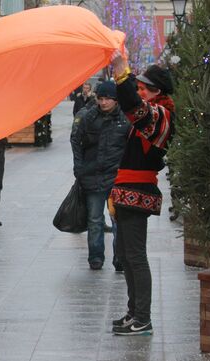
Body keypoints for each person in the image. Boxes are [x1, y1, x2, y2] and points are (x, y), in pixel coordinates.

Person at [109, 53, 175, 336]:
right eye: (138, 85)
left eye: (145, 87)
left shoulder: (162, 115)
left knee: (135, 256)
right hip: (126, 190)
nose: (140, 91)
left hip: (138, 191)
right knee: (125, 255)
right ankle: (133, 311)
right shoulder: (153, 111)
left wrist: (123, 75)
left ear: (158, 92)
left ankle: (143, 317)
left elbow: (133, 108)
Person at [71, 81, 130, 271]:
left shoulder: (124, 119)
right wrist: (79, 167)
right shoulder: (89, 117)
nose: (103, 103)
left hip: (116, 177)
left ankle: (120, 258)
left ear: (115, 100)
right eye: (101, 99)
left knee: (118, 220)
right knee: (95, 220)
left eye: (108, 99)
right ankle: (95, 257)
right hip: (92, 175)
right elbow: (76, 140)